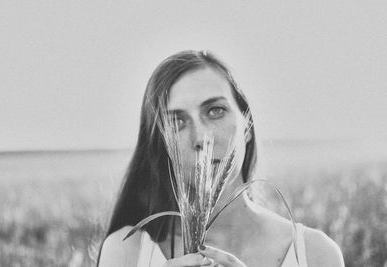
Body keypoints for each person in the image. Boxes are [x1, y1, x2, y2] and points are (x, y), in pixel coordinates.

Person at [97, 50, 344, 267]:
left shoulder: (315, 254)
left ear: (247, 126)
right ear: (161, 145)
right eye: (177, 122)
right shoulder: (128, 251)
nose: (201, 137)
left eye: (215, 111)